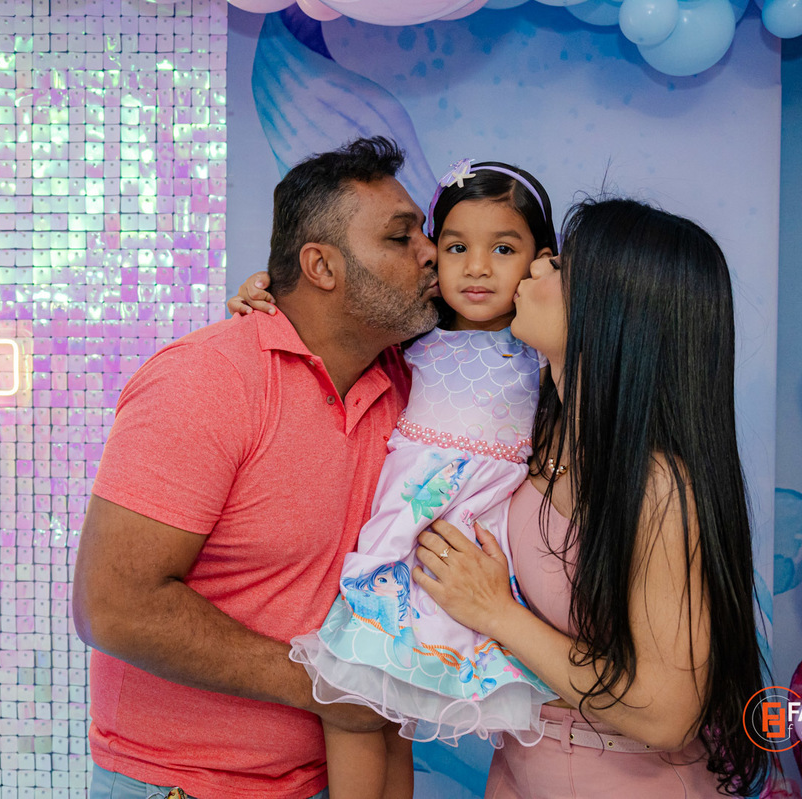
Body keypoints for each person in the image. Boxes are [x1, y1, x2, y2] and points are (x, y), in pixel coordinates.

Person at [71, 136, 441, 799]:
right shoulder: (207, 380)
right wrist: (323, 685)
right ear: (321, 266)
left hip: (326, 780)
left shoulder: (411, 387)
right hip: (184, 787)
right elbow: (113, 607)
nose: (430, 251)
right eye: (400, 237)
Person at [413, 198, 772, 797]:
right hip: (519, 767)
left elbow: (666, 713)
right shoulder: (532, 420)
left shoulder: (658, 488)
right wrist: (275, 305)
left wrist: (496, 613)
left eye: (561, 265)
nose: (537, 265)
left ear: (611, 309)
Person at [230, 159, 563, 799]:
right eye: (457, 247)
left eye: (503, 249)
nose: (476, 268)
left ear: (540, 260)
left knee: (396, 709)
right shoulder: (412, 334)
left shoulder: (542, 348)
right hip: (401, 528)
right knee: (360, 698)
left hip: (474, 545)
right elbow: (327, 318)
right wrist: (261, 291)